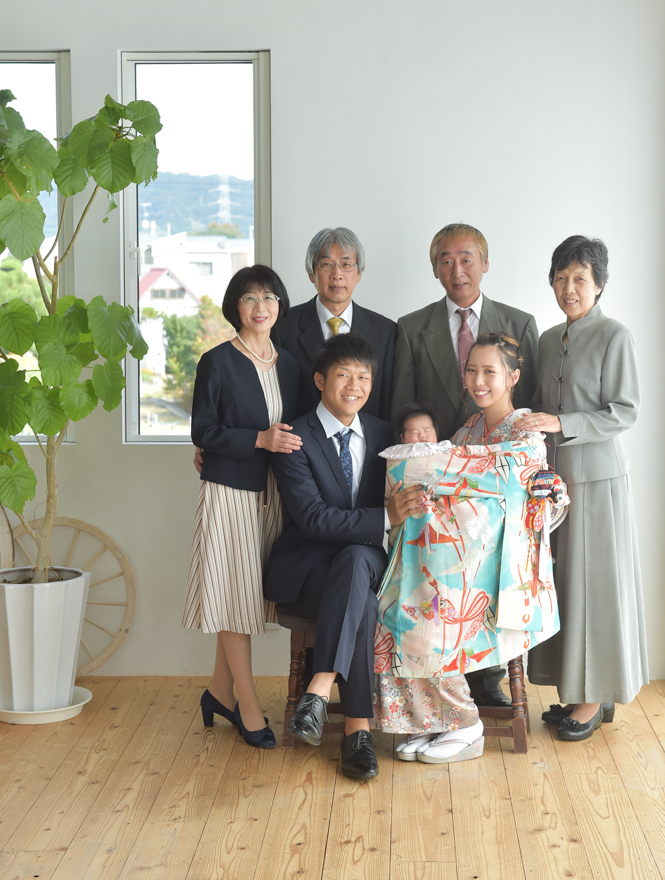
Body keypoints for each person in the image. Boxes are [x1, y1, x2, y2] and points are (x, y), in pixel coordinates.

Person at [377, 334, 548, 762]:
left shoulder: (525, 428)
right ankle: (431, 720)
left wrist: (438, 467)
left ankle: (466, 724)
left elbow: (503, 479)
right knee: (395, 605)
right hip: (457, 549)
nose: (478, 380)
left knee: (430, 608)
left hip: (500, 556)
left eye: (490, 371)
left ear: (513, 377)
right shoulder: (469, 428)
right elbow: (444, 481)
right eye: (472, 370)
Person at [391, 223, 540, 708]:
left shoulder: (519, 322)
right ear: (435, 268)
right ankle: (429, 672)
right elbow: (403, 407)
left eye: (467, 258)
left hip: (494, 489)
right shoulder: (412, 326)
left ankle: (483, 676)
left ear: (486, 262)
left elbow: (530, 406)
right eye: (447, 260)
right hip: (443, 476)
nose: (458, 269)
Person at [264, 333, 422, 778]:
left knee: (356, 561)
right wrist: (384, 516)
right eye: (343, 375)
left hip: (369, 558)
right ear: (319, 380)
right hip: (311, 568)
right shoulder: (296, 438)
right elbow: (313, 518)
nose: (355, 385)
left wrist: (387, 517)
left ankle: (319, 689)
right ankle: (358, 733)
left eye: (364, 377)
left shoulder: (381, 433)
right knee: (361, 600)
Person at [515, 235, 649, 741]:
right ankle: (578, 690)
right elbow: (534, 405)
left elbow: (624, 411)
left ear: (598, 285)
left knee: (595, 587)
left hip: (597, 481)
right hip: (552, 485)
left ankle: (594, 699)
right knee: (563, 586)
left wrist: (561, 423)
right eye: (561, 277)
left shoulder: (616, 335)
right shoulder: (549, 339)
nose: (569, 288)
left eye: (580, 279)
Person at [182, 265, 300, 750]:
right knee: (234, 598)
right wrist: (258, 438)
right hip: (229, 492)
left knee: (243, 594)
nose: (261, 306)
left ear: (279, 306)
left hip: (273, 496)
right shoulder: (217, 362)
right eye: (250, 298)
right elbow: (202, 433)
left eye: (270, 297)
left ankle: (217, 691)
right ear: (236, 307)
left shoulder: (290, 364)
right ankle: (247, 707)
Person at [271, 227, 396, 420]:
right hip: (301, 445)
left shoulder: (386, 332)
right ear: (311, 273)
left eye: (346, 264)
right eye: (327, 264)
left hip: (368, 445)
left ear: (359, 274)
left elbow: (387, 401)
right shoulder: (282, 327)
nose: (337, 274)